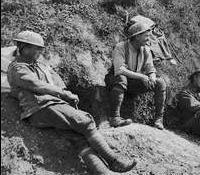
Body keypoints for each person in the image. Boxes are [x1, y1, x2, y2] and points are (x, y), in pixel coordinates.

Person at [7, 31, 136, 175]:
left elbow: (55, 81)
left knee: (78, 138)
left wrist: (65, 95)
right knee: (85, 122)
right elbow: (37, 85)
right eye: (37, 48)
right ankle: (115, 162)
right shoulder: (18, 68)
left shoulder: (36, 65)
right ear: (24, 47)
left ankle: (103, 172)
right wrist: (64, 94)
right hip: (41, 107)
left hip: (48, 107)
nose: (40, 51)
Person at [106, 22, 168, 129]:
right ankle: (114, 118)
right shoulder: (120, 47)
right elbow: (120, 70)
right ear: (137, 36)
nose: (148, 38)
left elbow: (150, 68)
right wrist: (142, 77)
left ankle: (158, 119)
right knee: (121, 78)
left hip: (133, 83)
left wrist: (152, 77)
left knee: (160, 83)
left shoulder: (146, 50)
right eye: (146, 36)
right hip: (115, 79)